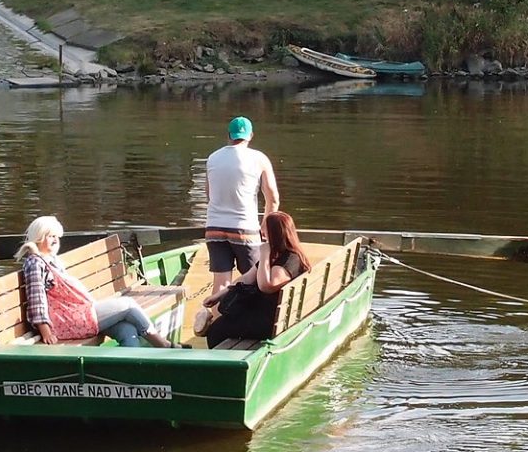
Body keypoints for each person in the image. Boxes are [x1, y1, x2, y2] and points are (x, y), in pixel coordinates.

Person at [16, 216, 179, 348]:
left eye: (57, 236)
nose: (55, 240)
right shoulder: (35, 264)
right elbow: (36, 301)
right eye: (50, 236)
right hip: (65, 322)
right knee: (128, 304)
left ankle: (130, 372)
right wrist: (46, 332)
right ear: (39, 237)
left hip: (76, 314)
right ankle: (162, 343)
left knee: (127, 330)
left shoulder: (51, 260)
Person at [199, 115, 279, 332]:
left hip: (214, 227)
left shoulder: (212, 158)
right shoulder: (259, 158)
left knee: (221, 282)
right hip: (245, 227)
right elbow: (273, 198)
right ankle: (248, 325)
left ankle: (215, 328)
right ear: (250, 136)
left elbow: (209, 194)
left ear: (228, 136)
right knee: (254, 280)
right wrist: (266, 225)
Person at [202, 211, 309, 347]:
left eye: (265, 230)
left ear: (274, 233)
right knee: (221, 324)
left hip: (270, 321)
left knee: (216, 331)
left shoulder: (290, 259)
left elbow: (266, 286)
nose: (262, 233)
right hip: (268, 315)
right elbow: (246, 278)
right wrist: (219, 295)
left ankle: (219, 362)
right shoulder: (279, 255)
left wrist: (264, 254)